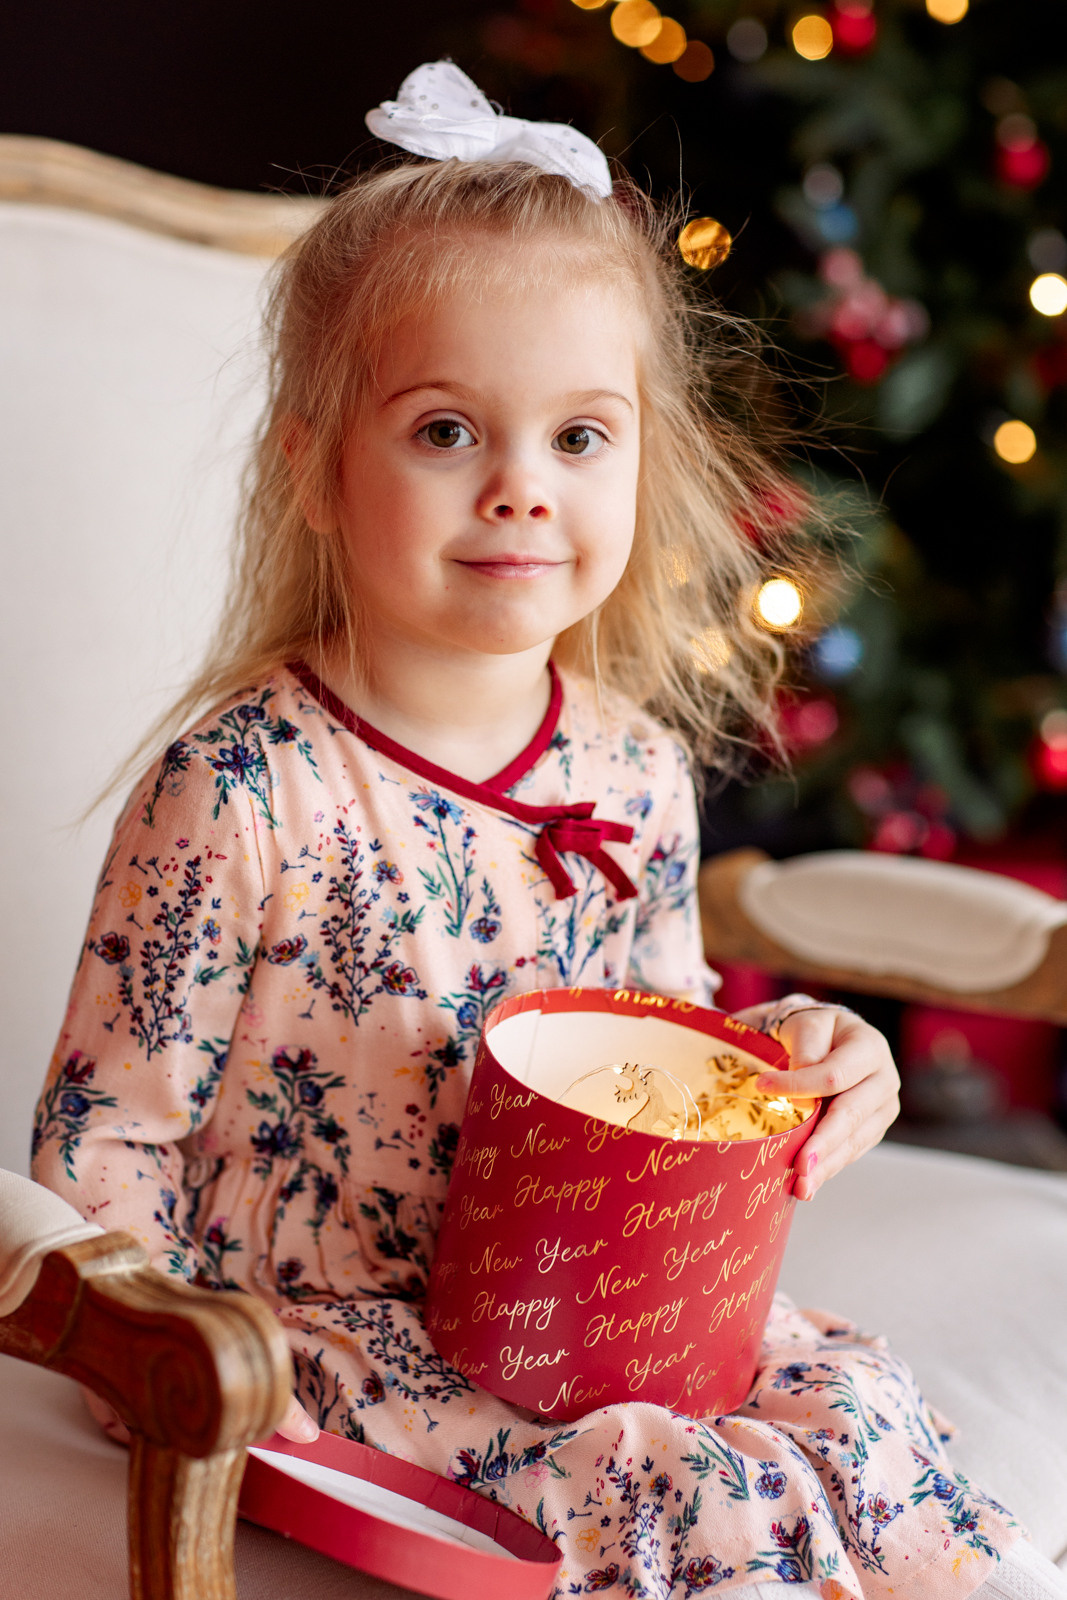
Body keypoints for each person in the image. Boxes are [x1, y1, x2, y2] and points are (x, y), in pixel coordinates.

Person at [32, 60, 1058, 1600]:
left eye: (579, 438)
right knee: (680, 1493)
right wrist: (189, 1374)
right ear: (315, 465)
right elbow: (101, 1145)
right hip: (325, 1332)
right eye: (447, 431)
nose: (521, 489)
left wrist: (787, 1069)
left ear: (642, 459)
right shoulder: (249, 787)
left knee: (859, 1410)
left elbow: (666, 1050)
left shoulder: (633, 763)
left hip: (597, 1295)